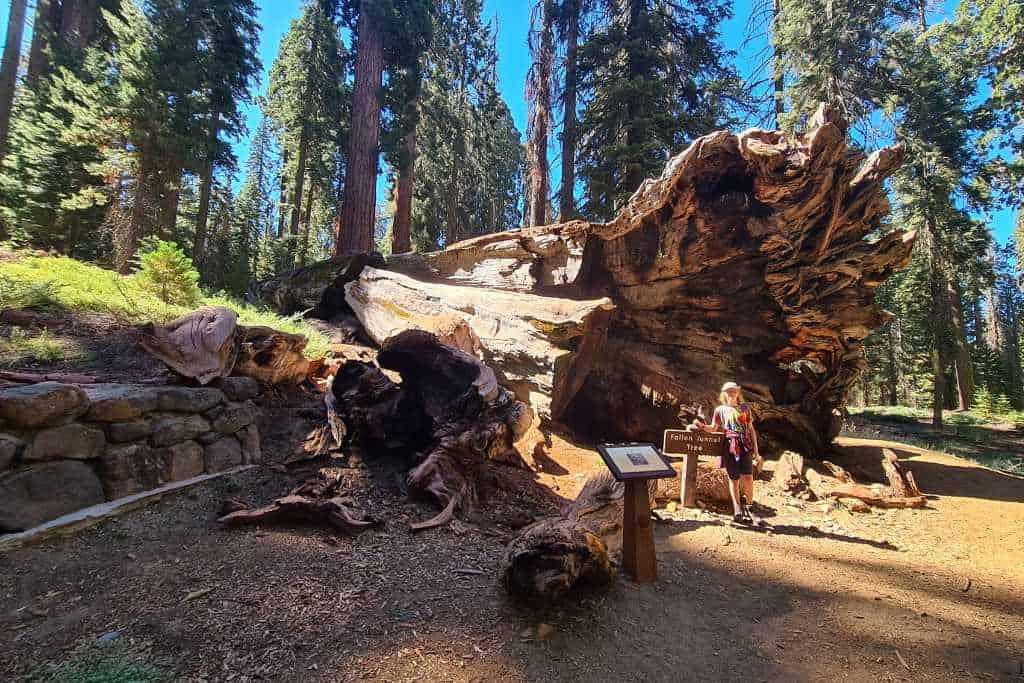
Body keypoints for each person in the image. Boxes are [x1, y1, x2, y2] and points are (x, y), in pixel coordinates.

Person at [695, 381, 760, 524]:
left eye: (734, 391)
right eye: (728, 391)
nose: (731, 393)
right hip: (729, 445)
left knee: (748, 477)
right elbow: (713, 428)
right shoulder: (720, 410)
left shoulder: (744, 408)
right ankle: (737, 509)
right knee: (734, 479)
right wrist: (701, 426)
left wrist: (756, 451)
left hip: (744, 445)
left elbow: (751, 430)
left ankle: (749, 508)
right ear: (724, 394)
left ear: (738, 392)